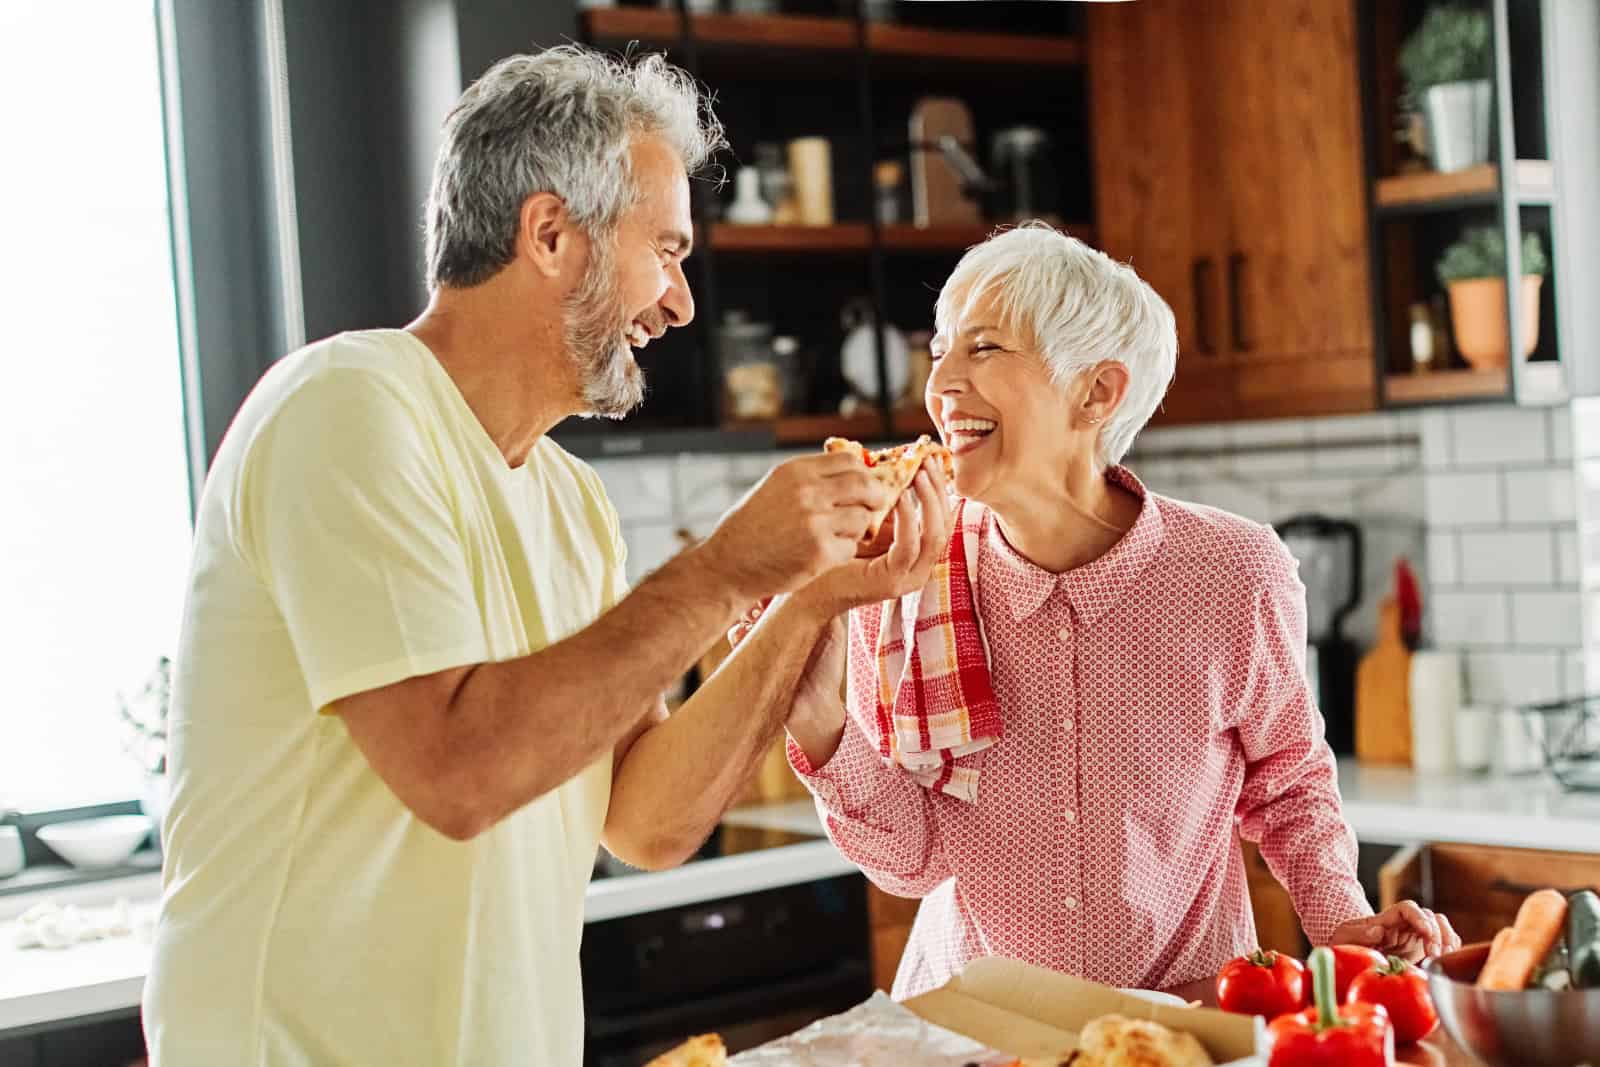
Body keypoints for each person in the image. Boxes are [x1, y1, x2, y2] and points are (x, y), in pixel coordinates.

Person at [143, 46, 944, 1066]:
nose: (680, 302)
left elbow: (644, 819)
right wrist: (727, 568)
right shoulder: (345, 410)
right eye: (666, 248)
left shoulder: (570, 500)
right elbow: (456, 773)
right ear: (551, 233)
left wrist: (802, 604)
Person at [768, 224, 1461, 999]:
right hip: (977, 1033)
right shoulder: (900, 578)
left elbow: (1288, 780)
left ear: (1098, 391)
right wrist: (821, 720)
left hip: (1186, 1024)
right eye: (939, 351)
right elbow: (914, 861)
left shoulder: (1232, 573)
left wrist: (1341, 921)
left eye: (985, 348)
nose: (941, 387)